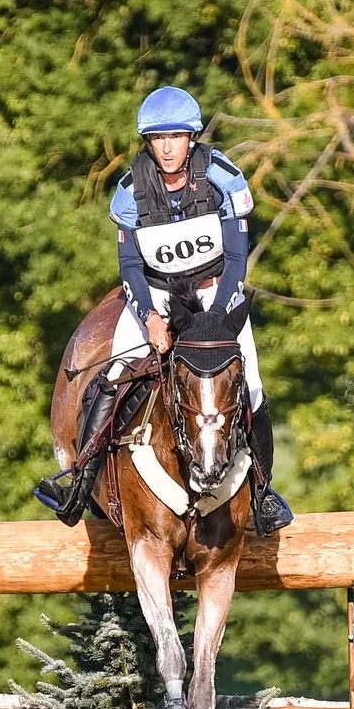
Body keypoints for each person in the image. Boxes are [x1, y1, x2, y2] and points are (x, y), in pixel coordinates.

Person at [36, 85, 293, 536]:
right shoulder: (129, 192)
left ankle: (264, 492)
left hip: (218, 293)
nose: (168, 147)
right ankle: (79, 482)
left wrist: (218, 316)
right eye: (158, 139)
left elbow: (237, 260)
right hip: (154, 296)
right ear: (148, 142)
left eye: (176, 137)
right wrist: (150, 318)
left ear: (191, 138)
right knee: (113, 379)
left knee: (249, 386)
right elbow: (131, 268)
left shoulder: (224, 179)